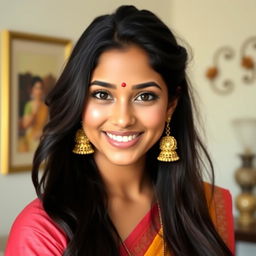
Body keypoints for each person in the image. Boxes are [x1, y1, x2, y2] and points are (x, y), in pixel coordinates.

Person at [5, 5, 234, 256]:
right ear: (78, 102)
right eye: (102, 94)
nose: (123, 119)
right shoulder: (43, 230)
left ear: (171, 104)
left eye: (145, 96)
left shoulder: (208, 206)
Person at [20, 76, 48, 152]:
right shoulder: (29, 105)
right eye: (36, 88)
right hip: (30, 137)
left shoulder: (45, 107)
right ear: (32, 90)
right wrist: (34, 111)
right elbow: (25, 125)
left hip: (41, 136)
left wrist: (42, 133)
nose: (39, 91)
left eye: (40, 88)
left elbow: (46, 124)